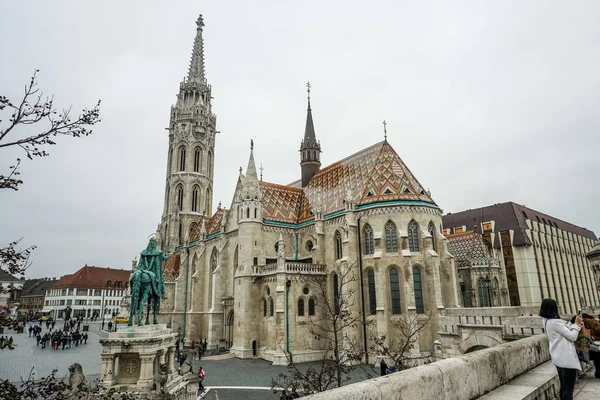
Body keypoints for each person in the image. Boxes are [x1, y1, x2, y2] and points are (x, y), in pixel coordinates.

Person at [540, 298, 583, 400]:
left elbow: (561, 329)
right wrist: (576, 325)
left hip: (558, 357)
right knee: (568, 388)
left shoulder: (545, 321)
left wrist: (572, 323)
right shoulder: (555, 322)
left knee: (564, 386)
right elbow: (572, 336)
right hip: (566, 358)